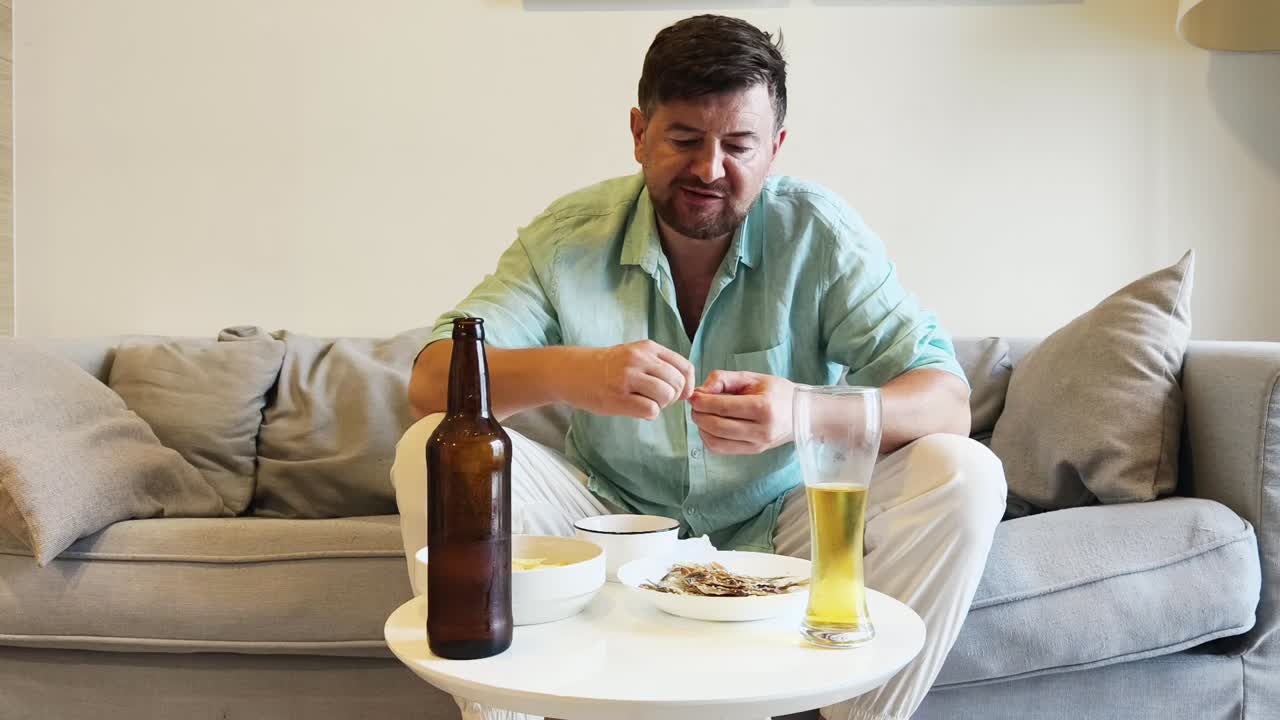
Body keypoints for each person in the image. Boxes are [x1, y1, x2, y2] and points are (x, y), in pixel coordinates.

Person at [393, 14, 1006, 720]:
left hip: (784, 519)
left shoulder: (821, 234)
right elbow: (428, 380)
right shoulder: (567, 235)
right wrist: (574, 372)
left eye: (739, 145)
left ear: (775, 148)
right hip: (604, 521)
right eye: (684, 139)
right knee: (428, 447)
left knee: (966, 472)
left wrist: (802, 413)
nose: (710, 170)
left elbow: (945, 402)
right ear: (638, 133)